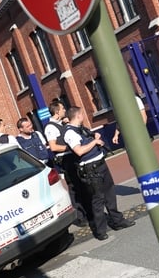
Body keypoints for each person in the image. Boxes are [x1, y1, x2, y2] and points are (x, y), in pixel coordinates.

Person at [63, 106, 134, 240]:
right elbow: (79, 151)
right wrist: (95, 142)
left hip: (100, 164)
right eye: (82, 114)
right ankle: (100, 230)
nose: (83, 116)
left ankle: (117, 220)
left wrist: (94, 136)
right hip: (91, 170)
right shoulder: (70, 133)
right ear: (78, 116)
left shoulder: (80, 128)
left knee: (110, 194)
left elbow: (87, 138)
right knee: (97, 200)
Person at [44, 100, 89, 227]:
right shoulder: (50, 128)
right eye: (63, 108)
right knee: (74, 188)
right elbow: (53, 147)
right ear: (57, 111)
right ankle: (80, 217)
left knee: (80, 185)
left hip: (71, 158)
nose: (65, 110)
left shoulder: (61, 124)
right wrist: (70, 148)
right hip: (65, 160)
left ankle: (86, 212)